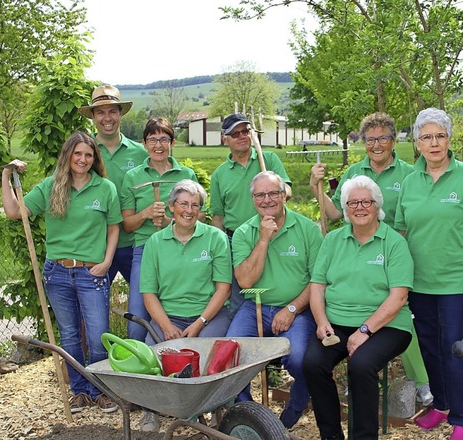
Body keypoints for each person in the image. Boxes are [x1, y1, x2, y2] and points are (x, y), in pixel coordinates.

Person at [310, 112, 432, 406]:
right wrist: (316, 187)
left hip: (399, 250)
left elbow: (413, 214)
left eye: (382, 138)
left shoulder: (410, 173)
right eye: (370, 139)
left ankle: (422, 382)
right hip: (361, 252)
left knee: (402, 315)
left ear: (393, 140)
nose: (376, 144)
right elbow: (335, 214)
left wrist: (394, 247)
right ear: (363, 143)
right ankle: (361, 377)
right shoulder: (353, 172)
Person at [1, 131, 121, 414]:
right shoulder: (51, 186)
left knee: (98, 335)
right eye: (77, 153)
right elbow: (14, 211)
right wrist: (6, 176)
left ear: (94, 159)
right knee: (68, 336)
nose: (82, 159)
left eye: (88, 155)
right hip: (57, 272)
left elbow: (114, 227)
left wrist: (106, 262)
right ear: (68, 155)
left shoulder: (105, 188)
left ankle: (100, 391)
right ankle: (79, 391)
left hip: (92, 272)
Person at [394, 108, 463, 440]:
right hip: (419, 283)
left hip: (455, 283)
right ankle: (440, 405)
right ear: (417, 144)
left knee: (456, 348)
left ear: (449, 140)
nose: (434, 143)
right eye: (427, 137)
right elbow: (400, 233)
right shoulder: (410, 182)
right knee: (429, 348)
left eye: (440, 136)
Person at [303, 175, 414, 440]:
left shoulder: (394, 244)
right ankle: (331, 435)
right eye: (352, 202)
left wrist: (365, 330)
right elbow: (317, 287)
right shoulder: (332, 241)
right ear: (345, 208)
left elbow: (398, 297)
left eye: (366, 201)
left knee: (362, 365)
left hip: (387, 325)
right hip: (338, 322)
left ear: (377, 206)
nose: (360, 207)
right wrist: (321, 322)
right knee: (312, 364)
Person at [225, 171, 322, 430]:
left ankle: (297, 404)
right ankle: (250, 415)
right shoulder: (245, 232)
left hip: (297, 310)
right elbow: (245, 281)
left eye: (273, 193)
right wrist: (264, 239)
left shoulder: (307, 229)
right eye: (260, 195)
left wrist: (291, 309)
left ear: (284, 195)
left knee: (301, 359)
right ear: (253, 199)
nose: (267, 200)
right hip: (255, 306)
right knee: (231, 355)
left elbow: (317, 281)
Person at [138, 179, 232, 432]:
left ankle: (215, 407)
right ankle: (151, 410)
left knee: (211, 357)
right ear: (171, 207)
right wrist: (166, 326)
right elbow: (149, 294)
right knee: (150, 357)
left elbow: (224, 288)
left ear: (201, 209)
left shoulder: (216, 238)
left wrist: (200, 322)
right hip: (169, 316)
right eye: (183, 204)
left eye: (195, 205)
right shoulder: (155, 243)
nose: (189, 210)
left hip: (209, 315)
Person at [120, 117, 202, 342]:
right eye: (152, 139)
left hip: (181, 248)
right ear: (144, 144)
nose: (158, 145)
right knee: (137, 318)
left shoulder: (186, 175)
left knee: (177, 309)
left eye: (164, 139)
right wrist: (145, 214)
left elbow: (200, 216)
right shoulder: (133, 177)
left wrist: (170, 223)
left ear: (172, 142)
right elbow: (127, 225)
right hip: (145, 250)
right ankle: (140, 368)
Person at [210, 113, 292, 315]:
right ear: (224, 139)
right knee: (239, 293)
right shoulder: (220, 174)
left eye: (245, 131)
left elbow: (287, 190)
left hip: (272, 234)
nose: (241, 136)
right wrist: (216, 248)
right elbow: (218, 217)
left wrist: (275, 191)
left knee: (275, 285)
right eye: (235, 133)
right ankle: (242, 333)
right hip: (235, 240)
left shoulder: (269, 159)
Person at [79, 84, 148, 286]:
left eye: (112, 111)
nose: (106, 118)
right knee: (90, 310)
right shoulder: (82, 152)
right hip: (95, 246)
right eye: (100, 112)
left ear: (120, 114)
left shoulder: (141, 153)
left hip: (134, 243)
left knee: (144, 304)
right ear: (92, 116)